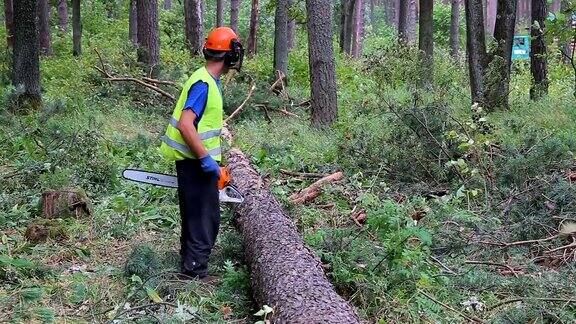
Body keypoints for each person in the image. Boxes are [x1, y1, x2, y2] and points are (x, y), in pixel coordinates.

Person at [159, 27, 243, 280]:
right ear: (229, 55)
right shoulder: (203, 84)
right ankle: (194, 272)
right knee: (204, 218)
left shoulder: (207, 80)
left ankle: (190, 264)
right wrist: (206, 159)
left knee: (196, 215)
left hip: (193, 162)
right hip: (195, 162)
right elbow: (186, 124)